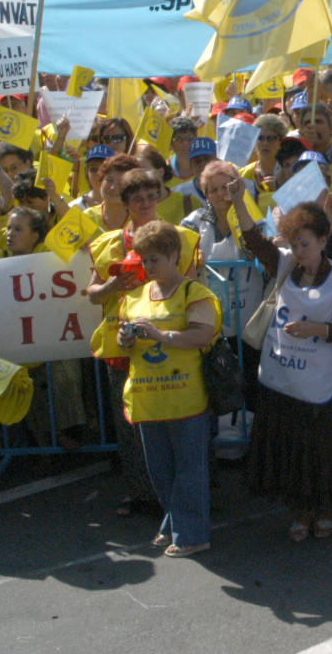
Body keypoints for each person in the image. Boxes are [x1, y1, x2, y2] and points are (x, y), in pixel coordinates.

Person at [235, 186, 332, 541]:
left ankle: (322, 508)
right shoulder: (285, 265)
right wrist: (236, 200)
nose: (298, 252)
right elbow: (254, 241)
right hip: (280, 376)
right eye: (293, 244)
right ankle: (299, 510)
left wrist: (317, 329)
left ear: (325, 240)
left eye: (305, 244)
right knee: (286, 446)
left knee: (317, 448)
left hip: (315, 382)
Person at [114, 221, 221, 558]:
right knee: (159, 469)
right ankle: (173, 522)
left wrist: (161, 337)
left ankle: (192, 534)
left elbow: (203, 336)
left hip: (185, 397)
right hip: (147, 397)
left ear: (175, 255)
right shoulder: (134, 296)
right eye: (144, 260)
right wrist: (125, 338)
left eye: (155, 259)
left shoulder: (195, 293)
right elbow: (122, 342)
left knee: (189, 469)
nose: (148, 267)